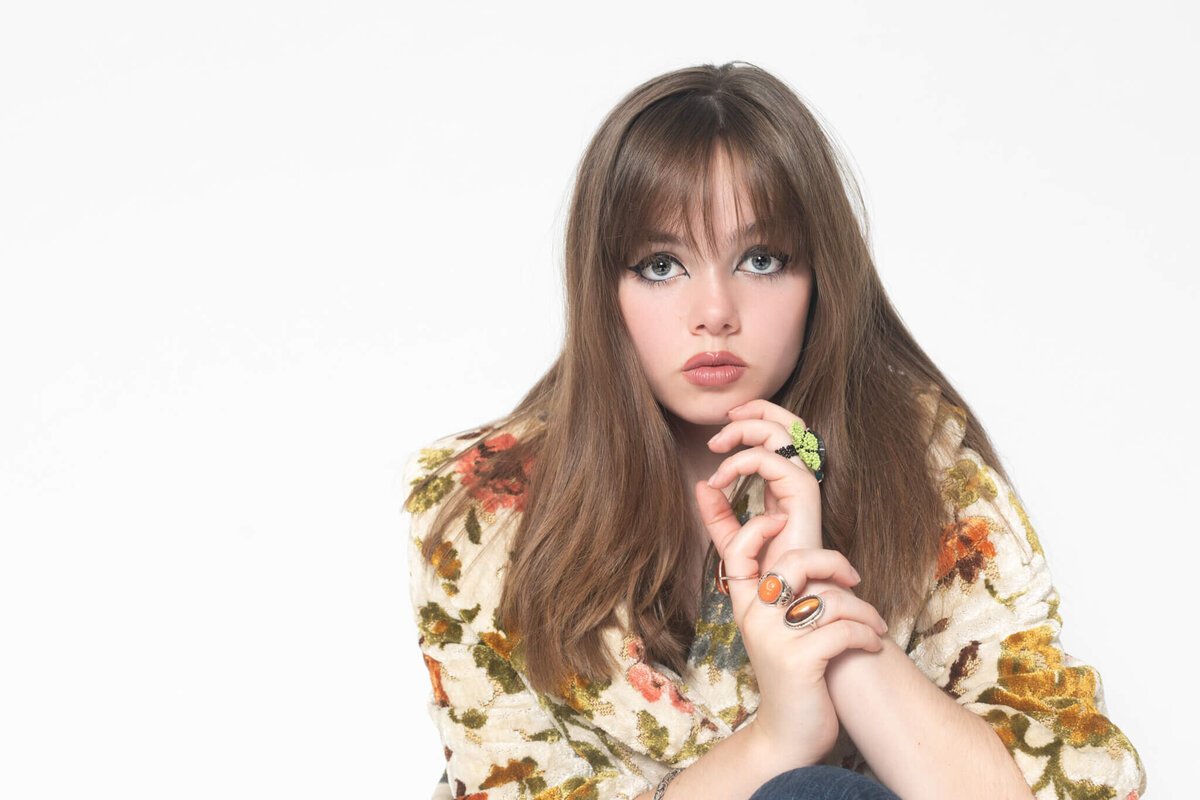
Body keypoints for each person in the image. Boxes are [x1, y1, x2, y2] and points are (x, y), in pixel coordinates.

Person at [403, 63, 1145, 800]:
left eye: (761, 260)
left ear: (820, 274)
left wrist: (820, 606)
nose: (715, 311)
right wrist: (781, 736)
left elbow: (1069, 789)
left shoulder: (920, 462)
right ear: (603, 288)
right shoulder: (487, 514)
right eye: (661, 265)